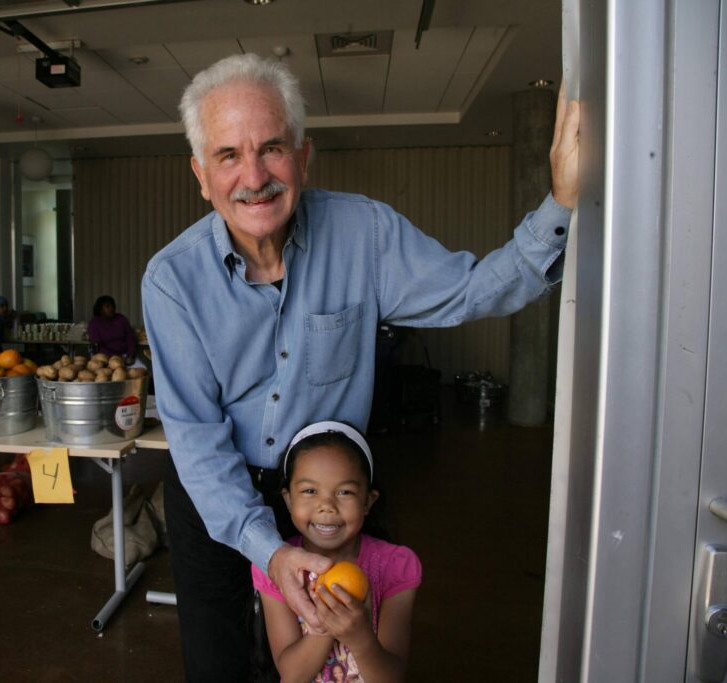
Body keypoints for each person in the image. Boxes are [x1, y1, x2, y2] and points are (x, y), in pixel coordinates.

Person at [141, 53, 579, 681]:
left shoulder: (363, 233)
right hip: (213, 493)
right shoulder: (172, 280)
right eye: (228, 155)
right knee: (218, 666)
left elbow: (471, 291)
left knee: (343, 664)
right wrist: (269, 550)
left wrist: (561, 202)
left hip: (330, 497)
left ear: (304, 155)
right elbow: (197, 440)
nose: (254, 177)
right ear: (201, 175)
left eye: (272, 148)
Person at [251, 422, 419, 683]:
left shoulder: (395, 566)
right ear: (288, 499)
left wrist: (361, 638)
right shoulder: (275, 568)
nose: (326, 506)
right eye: (310, 491)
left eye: (344, 492)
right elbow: (292, 675)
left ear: (368, 501)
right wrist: (326, 625)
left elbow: (391, 678)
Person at [86, 295, 137, 365]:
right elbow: (95, 345)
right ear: (100, 309)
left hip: (124, 356)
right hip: (105, 358)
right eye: (107, 306)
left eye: (113, 305)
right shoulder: (94, 323)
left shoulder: (121, 319)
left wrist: (130, 354)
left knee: (141, 368)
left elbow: (130, 337)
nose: (111, 308)